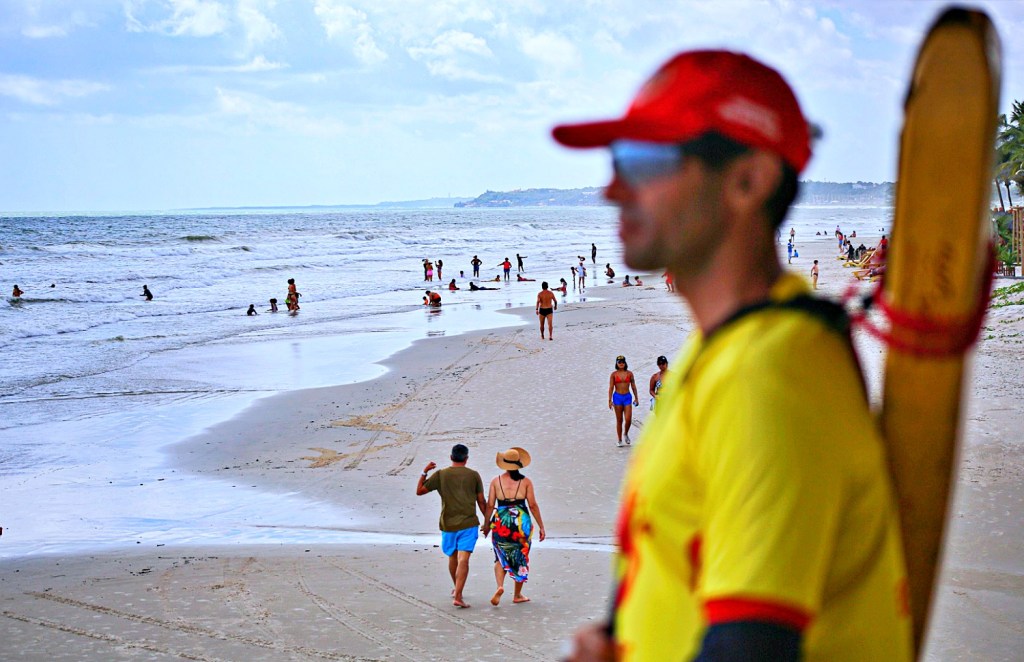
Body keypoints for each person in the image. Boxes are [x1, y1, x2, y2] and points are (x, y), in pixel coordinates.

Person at [555, 49, 911, 660]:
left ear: (749, 180)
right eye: (617, 160)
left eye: (646, 161)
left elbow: (753, 644)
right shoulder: (719, 349)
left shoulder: (770, 372)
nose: (612, 188)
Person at [416, 444, 486, 608]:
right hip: (469, 523)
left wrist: (424, 471)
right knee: (464, 559)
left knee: (453, 557)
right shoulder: (474, 475)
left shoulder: (441, 474)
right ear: (466, 458)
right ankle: (458, 594)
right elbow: (481, 501)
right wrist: (488, 522)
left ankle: (457, 590)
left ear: (451, 457)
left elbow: (419, 491)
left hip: (448, 524)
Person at [482, 447, 546, 606]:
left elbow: (490, 505)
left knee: (500, 554)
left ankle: (500, 586)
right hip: (520, 522)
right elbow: (533, 505)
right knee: (521, 555)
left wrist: (486, 525)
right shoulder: (526, 482)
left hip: (501, 521)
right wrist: (541, 526)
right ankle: (517, 595)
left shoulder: (496, 481)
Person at [607, 355, 638, 447]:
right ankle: (620, 439)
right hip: (617, 397)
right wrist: (609, 400)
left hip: (627, 397)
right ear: (616, 363)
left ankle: (626, 433)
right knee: (619, 420)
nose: (621, 364)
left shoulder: (630, 374)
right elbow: (611, 387)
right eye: (619, 362)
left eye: (623, 362)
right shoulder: (614, 374)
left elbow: (633, 386)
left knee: (628, 419)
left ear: (625, 363)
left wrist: (636, 397)